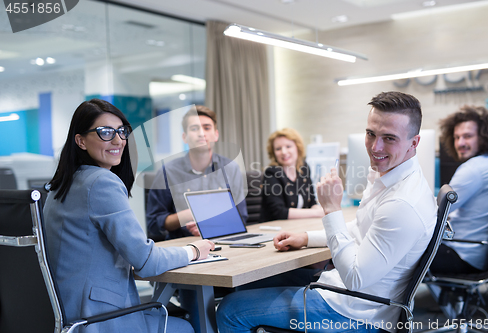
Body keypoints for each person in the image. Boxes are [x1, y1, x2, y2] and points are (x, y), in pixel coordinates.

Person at [216, 91, 437, 333]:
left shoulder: (402, 203)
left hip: (357, 312)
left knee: (230, 310)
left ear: (414, 143)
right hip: (353, 297)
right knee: (253, 284)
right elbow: (361, 229)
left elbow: (355, 278)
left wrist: (331, 208)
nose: (376, 147)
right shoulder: (391, 177)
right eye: (370, 134)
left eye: (389, 138)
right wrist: (307, 238)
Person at [44, 99, 214, 333]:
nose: (118, 140)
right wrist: (194, 250)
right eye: (105, 132)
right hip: (97, 317)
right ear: (80, 141)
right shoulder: (101, 182)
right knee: (185, 328)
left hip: (65, 311)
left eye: (122, 132)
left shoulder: (60, 185)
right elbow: (147, 262)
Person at [146, 105, 248, 241]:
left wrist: (210, 226)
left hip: (224, 241)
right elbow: (153, 224)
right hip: (182, 246)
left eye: (206, 128)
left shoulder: (231, 168)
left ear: (216, 135)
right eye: (194, 128)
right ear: (185, 137)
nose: (201, 133)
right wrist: (189, 215)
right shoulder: (167, 172)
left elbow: (242, 215)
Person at [430, 105, 488, 274]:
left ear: (484, 137)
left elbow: (437, 211)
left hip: (462, 254)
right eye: (456, 137)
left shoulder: (473, 169)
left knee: (401, 253)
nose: (460, 143)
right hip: (483, 254)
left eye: (467, 136)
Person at [260, 128, 324, 222]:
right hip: (274, 229)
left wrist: (320, 209)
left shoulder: (304, 168)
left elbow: (311, 201)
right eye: (278, 149)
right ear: (274, 153)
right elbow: (279, 212)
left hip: (297, 225)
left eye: (288, 146)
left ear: (297, 147)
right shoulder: (271, 173)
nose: (284, 152)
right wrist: (317, 213)